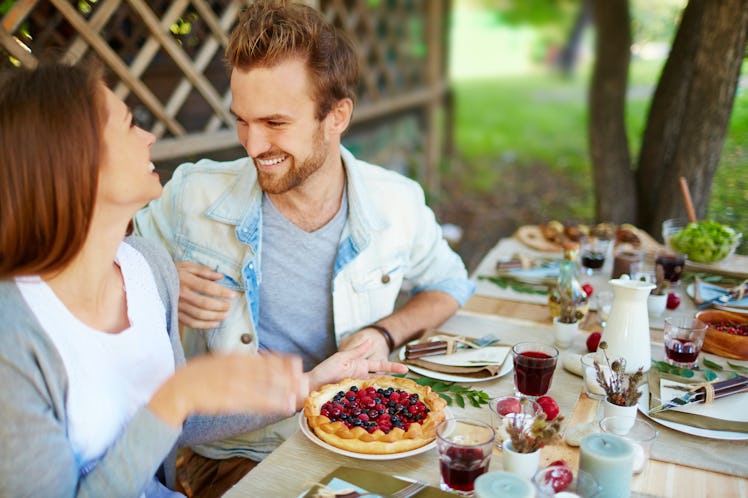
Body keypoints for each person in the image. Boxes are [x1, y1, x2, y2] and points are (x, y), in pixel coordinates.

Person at [0, 60, 406, 497]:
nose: (149, 137)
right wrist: (177, 395)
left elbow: (173, 422)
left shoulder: (146, 268)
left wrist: (308, 385)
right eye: (129, 125)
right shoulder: (13, 336)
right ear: (74, 159)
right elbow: (171, 407)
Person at [133, 0, 474, 494]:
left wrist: (383, 332)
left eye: (275, 123)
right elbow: (96, 275)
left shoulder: (395, 203)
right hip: (236, 454)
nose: (252, 146)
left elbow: (450, 282)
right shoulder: (191, 197)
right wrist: (156, 275)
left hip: (366, 439)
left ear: (336, 117)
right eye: (242, 121)